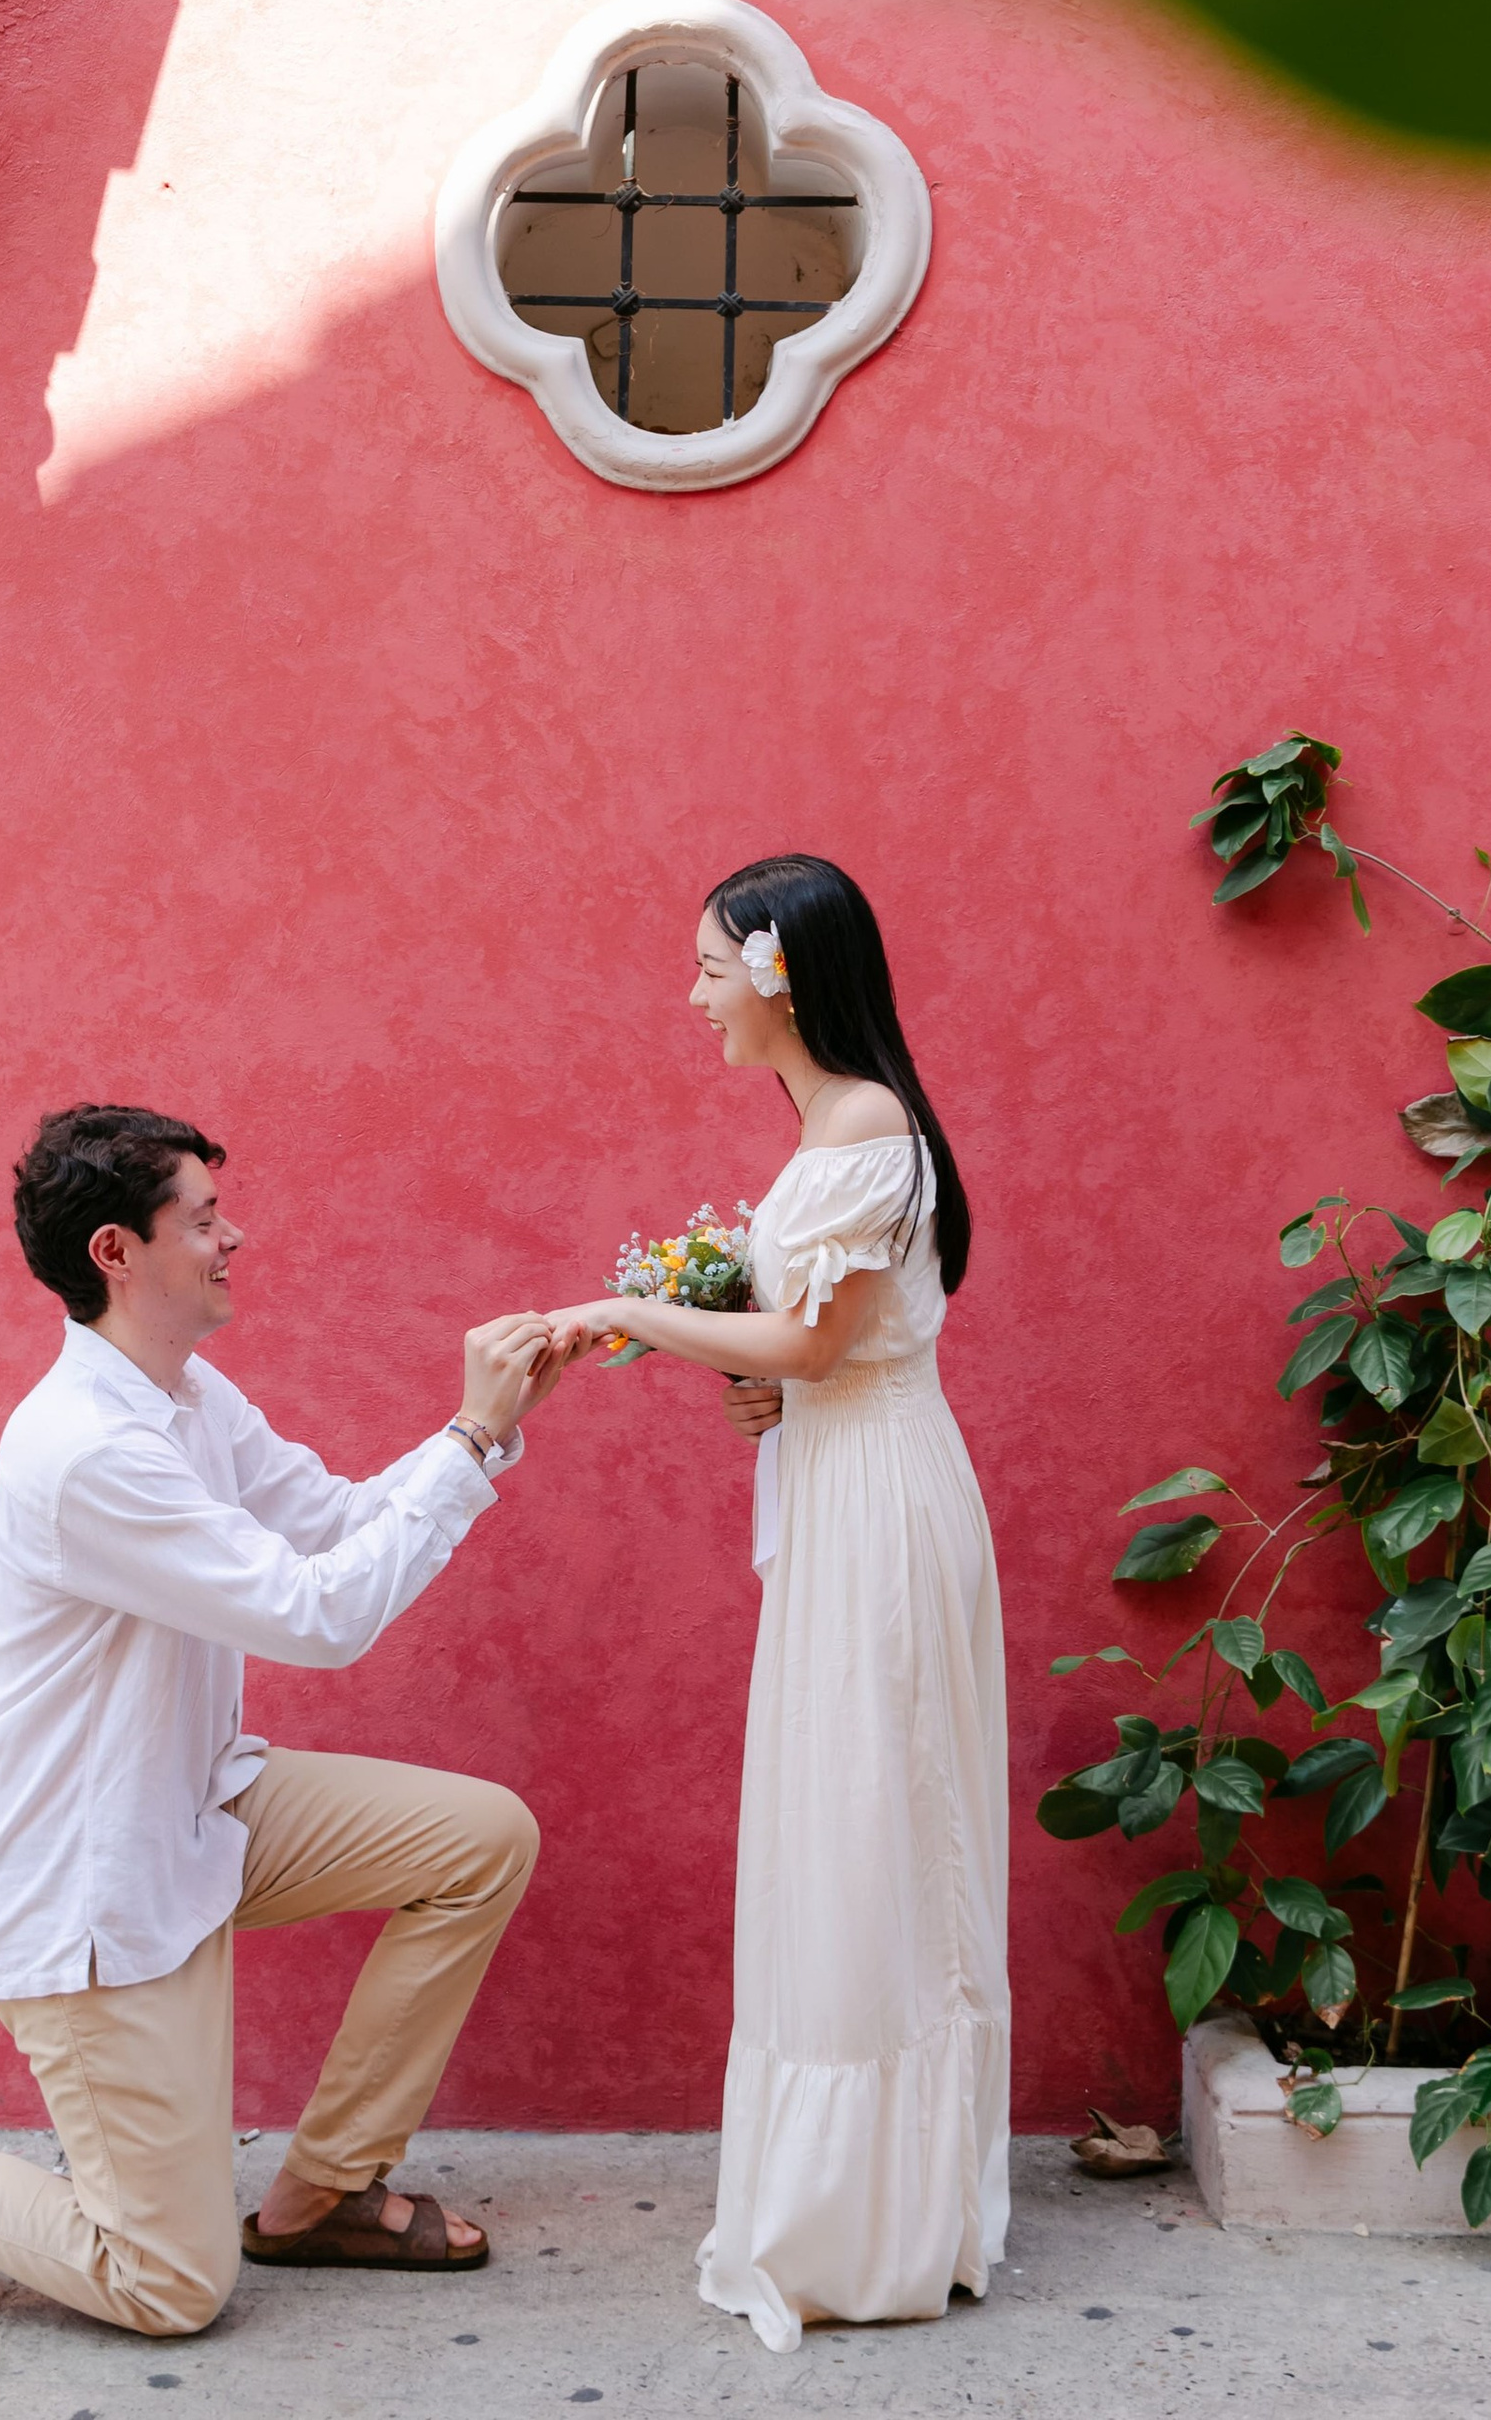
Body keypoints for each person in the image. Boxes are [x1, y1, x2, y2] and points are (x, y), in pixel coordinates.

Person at [0, 1101, 562, 2334]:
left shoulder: (186, 1393)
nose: (237, 1238)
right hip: (94, 1888)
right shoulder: (86, 1452)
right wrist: (473, 1431)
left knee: (478, 1839)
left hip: (195, 1808)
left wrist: (478, 1434)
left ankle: (321, 2193)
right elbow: (320, 1617)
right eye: (205, 1219)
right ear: (116, 1252)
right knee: (165, 2284)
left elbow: (328, 1521)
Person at [547, 854, 1008, 2353]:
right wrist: (768, 1379)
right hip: (851, 1484)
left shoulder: (863, 1124)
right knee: (851, 1824)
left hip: (877, 1507)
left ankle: (866, 2218)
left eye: (705, 965)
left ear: (779, 970)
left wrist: (631, 1316)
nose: (690, 996)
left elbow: (818, 1350)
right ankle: (862, 2199)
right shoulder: (838, 1122)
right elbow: (825, 1348)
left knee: (874, 1825)